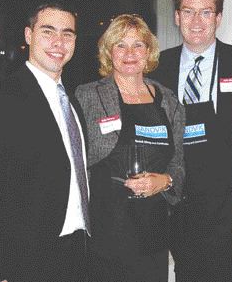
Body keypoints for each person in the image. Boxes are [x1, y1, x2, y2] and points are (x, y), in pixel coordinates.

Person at [0, 3, 91, 282]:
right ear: (29, 35)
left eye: (67, 34)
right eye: (48, 31)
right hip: (26, 259)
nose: (59, 42)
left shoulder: (73, 101)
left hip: (79, 252)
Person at [149, 0, 232, 282]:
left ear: (219, 18)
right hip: (179, 200)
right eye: (188, 11)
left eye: (206, 12)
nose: (196, 21)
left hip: (228, 200)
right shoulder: (157, 67)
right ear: (176, 17)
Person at [75, 14, 185, 282]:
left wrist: (166, 181)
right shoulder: (88, 95)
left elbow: (180, 163)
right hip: (105, 231)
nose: (129, 53)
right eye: (120, 45)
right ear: (108, 52)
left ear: (149, 52)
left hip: (152, 232)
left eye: (138, 45)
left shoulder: (168, 101)